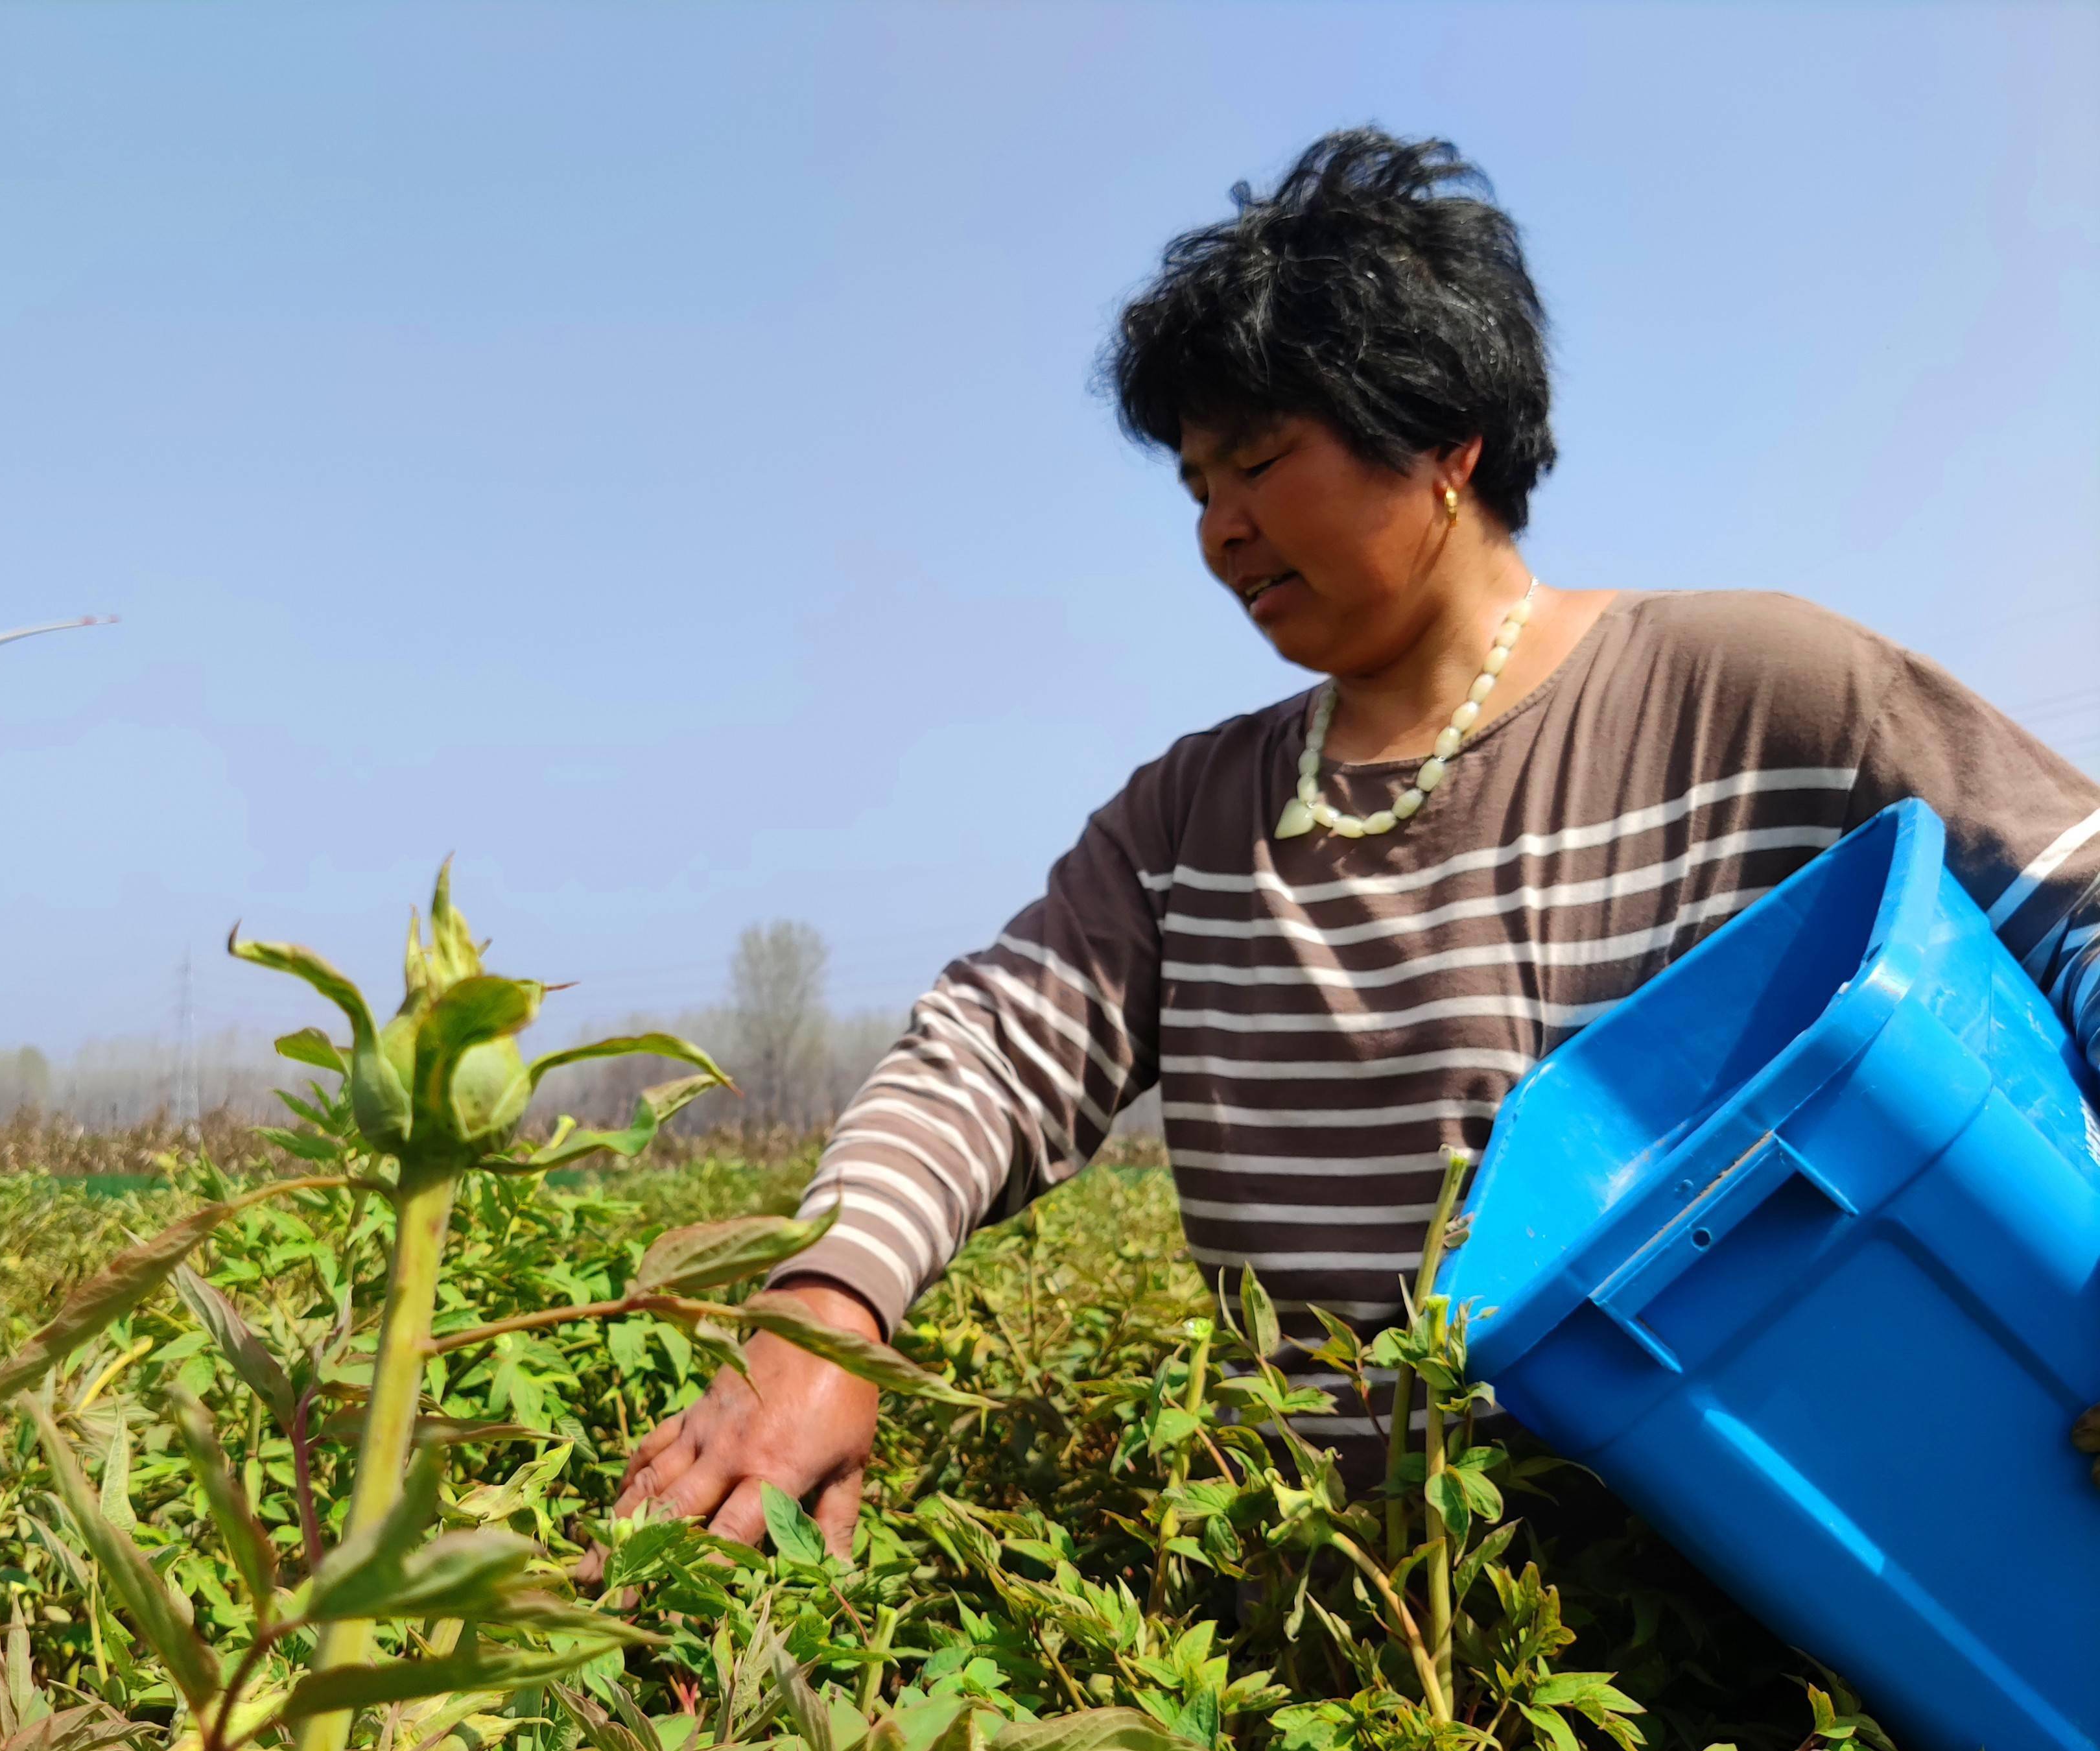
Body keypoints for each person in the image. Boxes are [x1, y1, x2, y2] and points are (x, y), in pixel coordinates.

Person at [608, 127, 2100, 1557]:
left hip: (1779, 1616)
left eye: (1256, 462)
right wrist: (825, 1315)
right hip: (1360, 1661)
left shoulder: (1756, 692)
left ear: (1441, 440)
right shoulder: (1193, 823)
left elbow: (2073, 901)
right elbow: (985, 1057)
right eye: (1195, 486)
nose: (1218, 530)